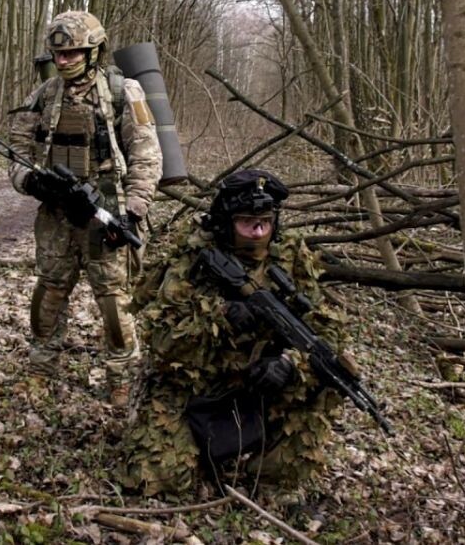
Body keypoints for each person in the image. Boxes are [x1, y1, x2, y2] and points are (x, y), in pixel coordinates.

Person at [118, 169, 345, 498]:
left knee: (327, 380)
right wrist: (220, 316)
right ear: (226, 223)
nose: (258, 231)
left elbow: (326, 329)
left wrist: (289, 363)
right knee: (154, 479)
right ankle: (198, 452)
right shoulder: (193, 258)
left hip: (259, 384)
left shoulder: (291, 255)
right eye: (247, 223)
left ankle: (267, 475)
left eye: (265, 222)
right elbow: (161, 341)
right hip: (194, 386)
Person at [5, 10, 161, 407]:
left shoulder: (123, 92)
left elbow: (146, 155)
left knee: (113, 300)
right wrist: (31, 182)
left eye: (72, 53)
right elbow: (16, 150)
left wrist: (132, 211)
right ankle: (41, 369)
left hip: (106, 208)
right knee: (49, 292)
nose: (63, 61)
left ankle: (121, 377)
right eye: (58, 54)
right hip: (57, 214)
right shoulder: (44, 95)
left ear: (94, 52)